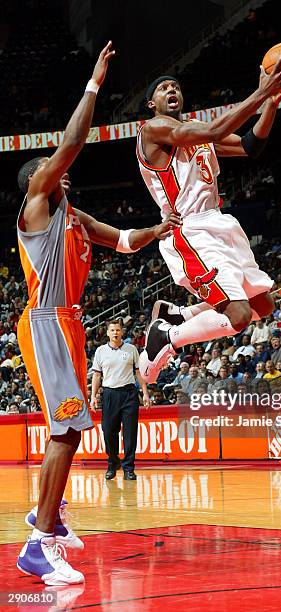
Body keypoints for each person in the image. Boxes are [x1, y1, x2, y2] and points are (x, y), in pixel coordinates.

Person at [16, 42, 180, 586]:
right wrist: (94, 83)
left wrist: (160, 231)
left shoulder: (75, 216)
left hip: (69, 323)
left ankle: (51, 518)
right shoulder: (38, 204)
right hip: (46, 320)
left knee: (70, 430)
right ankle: (38, 543)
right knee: (65, 432)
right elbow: (71, 143)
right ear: (40, 178)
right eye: (51, 166)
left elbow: (125, 241)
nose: (61, 170)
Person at [136, 59, 281, 383]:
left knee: (263, 305)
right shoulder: (152, 130)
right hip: (188, 229)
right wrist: (260, 90)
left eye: (176, 86)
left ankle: (178, 316)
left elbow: (250, 145)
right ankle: (166, 339)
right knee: (239, 315)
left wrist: (271, 103)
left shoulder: (196, 131)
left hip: (219, 221)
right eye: (164, 87)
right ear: (152, 103)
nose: (172, 89)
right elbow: (215, 129)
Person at [91, 319, 149, 481]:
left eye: (118, 330)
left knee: (130, 432)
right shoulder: (101, 351)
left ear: (122, 332)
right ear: (108, 333)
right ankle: (113, 462)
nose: (115, 332)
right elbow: (96, 375)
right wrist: (93, 397)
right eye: (112, 330)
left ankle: (129, 468)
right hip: (109, 394)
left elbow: (139, 373)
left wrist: (145, 393)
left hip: (129, 394)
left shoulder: (131, 349)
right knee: (108, 431)